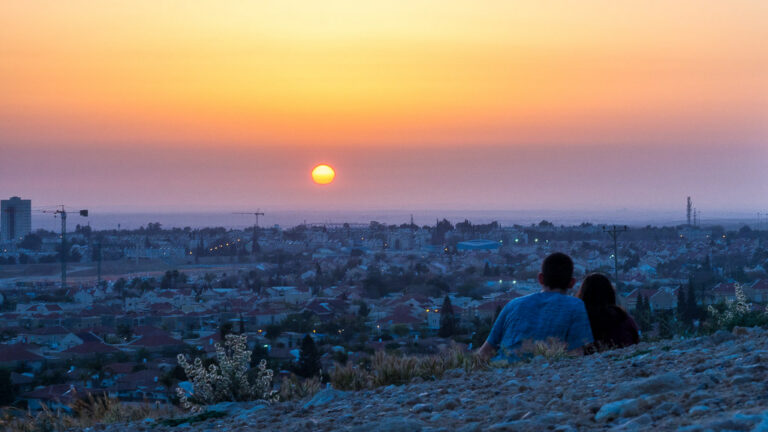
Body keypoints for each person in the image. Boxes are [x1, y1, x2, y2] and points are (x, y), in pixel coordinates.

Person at [477, 252, 593, 361]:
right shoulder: (575, 306)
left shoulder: (513, 304)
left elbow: (484, 352)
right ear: (572, 283)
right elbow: (576, 354)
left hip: (502, 373)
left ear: (540, 279)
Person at [576, 273, 639, 352]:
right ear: (610, 293)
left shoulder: (579, 323)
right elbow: (635, 342)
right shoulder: (623, 319)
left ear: (583, 295)